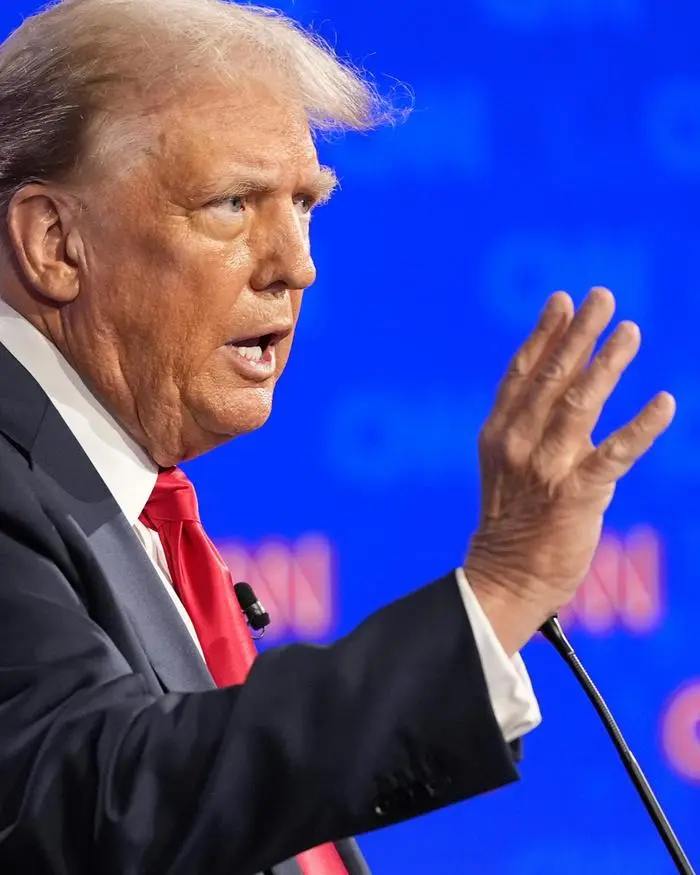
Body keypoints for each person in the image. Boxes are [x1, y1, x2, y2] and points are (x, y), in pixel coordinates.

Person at [0, 1, 675, 873]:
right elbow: (102, 798)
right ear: (55, 243)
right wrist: (499, 592)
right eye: (232, 203)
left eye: (307, 204)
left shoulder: (128, 504)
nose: (297, 264)